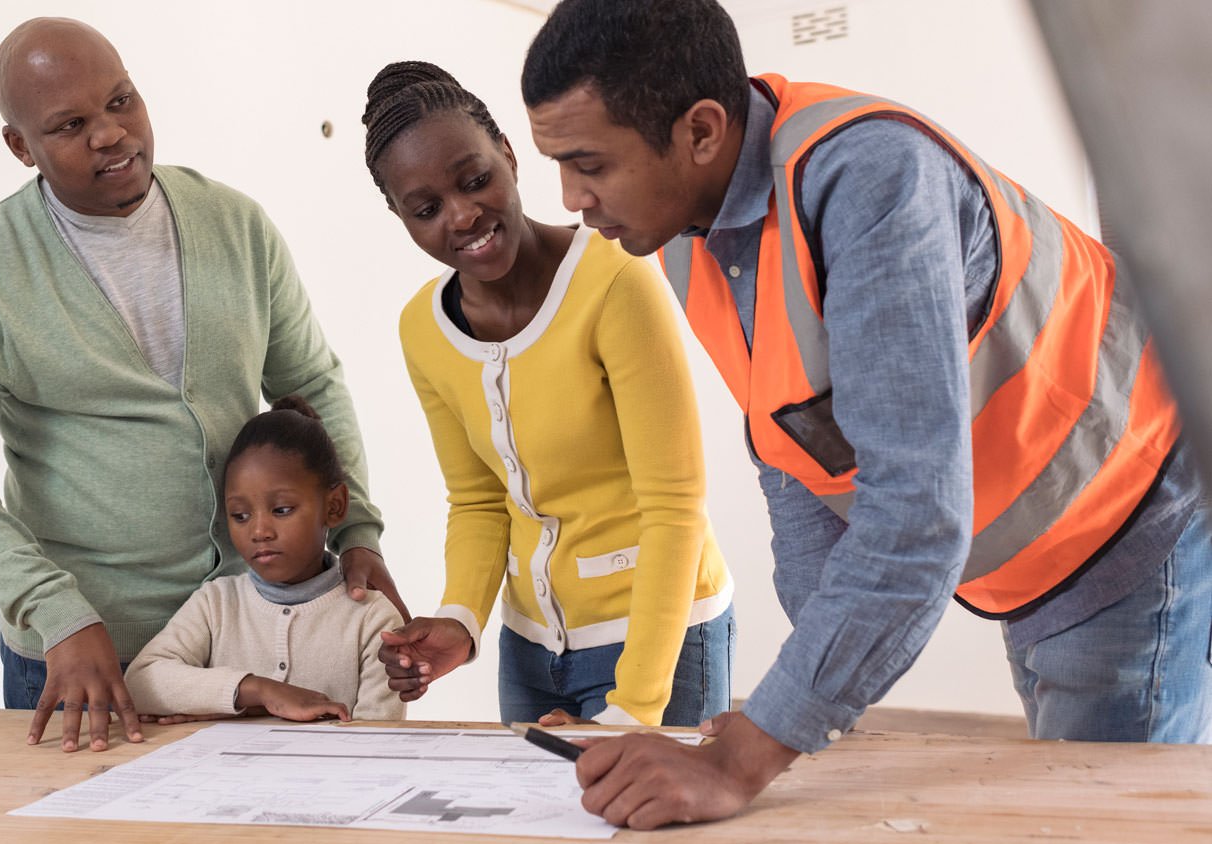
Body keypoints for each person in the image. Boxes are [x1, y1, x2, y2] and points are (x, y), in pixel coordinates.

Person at [519, 0, 1211, 828]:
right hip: (1024, 559)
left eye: (589, 163)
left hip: (1121, 520)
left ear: (700, 132)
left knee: (1094, 822)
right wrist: (807, 711)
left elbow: (913, 519)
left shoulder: (870, 179)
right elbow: (792, 452)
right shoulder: (676, 228)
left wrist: (750, 754)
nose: (571, 199)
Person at [0, 17, 406, 754]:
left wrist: (356, 530)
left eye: (122, 101)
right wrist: (56, 611)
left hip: (245, 644)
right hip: (83, 660)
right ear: (19, 147)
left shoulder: (236, 225)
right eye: (71, 124)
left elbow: (312, 385)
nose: (110, 134)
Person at [362, 61, 735, 728]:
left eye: (475, 180)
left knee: (640, 832)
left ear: (507, 153)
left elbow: (676, 508)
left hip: (660, 644)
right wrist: (459, 620)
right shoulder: (422, 328)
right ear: (400, 218)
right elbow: (478, 500)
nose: (464, 214)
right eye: (426, 209)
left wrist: (632, 711)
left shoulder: (615, 284)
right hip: (530, 655)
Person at [124, 397, 405, 723]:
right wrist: (258, 692)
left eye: (281, 510)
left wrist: (208, 708)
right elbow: (141, 682)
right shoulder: (216, 603)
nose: (259, 531)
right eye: (240, 515)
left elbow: (378, 745)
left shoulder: (373, 619)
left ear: (335, 506)